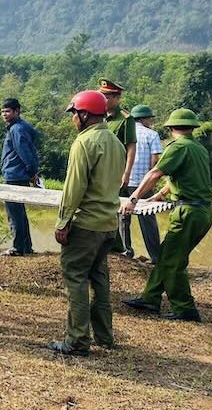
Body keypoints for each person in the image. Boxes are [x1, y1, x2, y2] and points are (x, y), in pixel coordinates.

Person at [48, 90, 125, 356]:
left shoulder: (85, 142)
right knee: (99, 278)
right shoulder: (115, 142)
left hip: (86, 224)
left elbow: (74, 187)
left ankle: (77, 340)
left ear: (84, 115)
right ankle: (104, 336)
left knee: (76, 278)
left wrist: (63, 221)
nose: (72, 121)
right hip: (108, 225)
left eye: (74, 115)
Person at [121, 109, 212, 323]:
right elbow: (179, 178)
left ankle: (185, 308)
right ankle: (150, 298)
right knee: (166, 256)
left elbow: (155, 173)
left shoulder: (178, 147)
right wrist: (158, 196)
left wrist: (133, 199)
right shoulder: (198, 149)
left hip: (188, 212)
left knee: (173, 262)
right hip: (202, 212)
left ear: (171, 129)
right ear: (192, 127)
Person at [98, 79, 137, 254]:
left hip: (116, 171)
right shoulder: (99, 117)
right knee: (101, 206)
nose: (103, 99)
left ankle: (119, 247)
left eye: (107, 96)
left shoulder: (126, 119)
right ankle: (107, 244)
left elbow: (131, 147)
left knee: (116, 208)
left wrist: (126, 173)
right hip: (100, 170)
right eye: (101, 96)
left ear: (117, 98)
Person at [0, 98, 39, 256]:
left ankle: (17, 247)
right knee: (19, 212)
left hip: (15, 175)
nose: (4, 114)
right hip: (17, 174)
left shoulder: (17, 129)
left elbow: (25, 153)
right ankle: (26, 246)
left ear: (17, 111)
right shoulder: (20, 127)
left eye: (8, 111)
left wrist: (31, 171)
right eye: (2, 112)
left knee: (14, 213)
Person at [122, 104, 163, 262]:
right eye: (150, 119)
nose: (151, 122)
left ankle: (126, 252)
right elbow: (155, 160)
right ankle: (155, 256)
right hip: (142, 184)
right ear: (145, 119)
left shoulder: (125, 134)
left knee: (123, 217)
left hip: (124, 182)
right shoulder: (151, 134)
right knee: (148, 220)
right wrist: (152, 180)